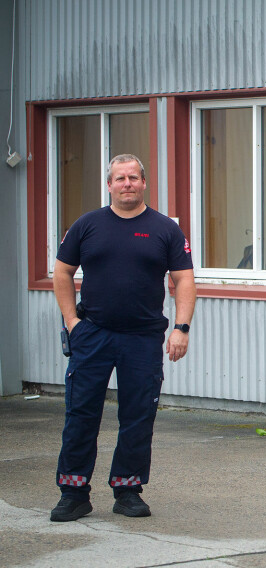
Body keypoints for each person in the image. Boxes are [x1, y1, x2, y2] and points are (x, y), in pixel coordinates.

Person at [50, 154, 196, 522]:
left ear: (144, 182)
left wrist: (181, 328)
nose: (127, 184)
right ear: (110, 185)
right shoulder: (87, 225)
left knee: (138, 415)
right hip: (92, 335)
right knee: (81, 413)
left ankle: (128, 490)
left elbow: (184, 280)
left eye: (133, 177)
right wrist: (72, 322)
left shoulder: (165, 229)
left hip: (143, 338)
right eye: (120, 178)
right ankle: (73, 492)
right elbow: (62, 272)